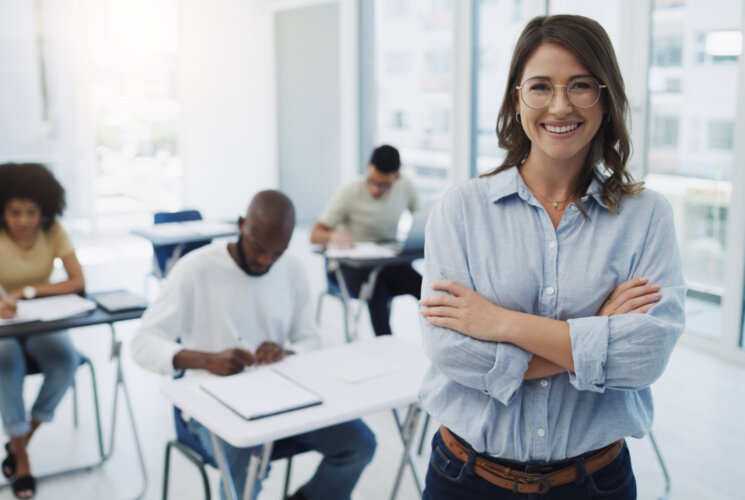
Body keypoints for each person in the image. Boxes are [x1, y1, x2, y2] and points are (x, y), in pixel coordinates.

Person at [418, 15, 686, 499]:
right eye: (541, 86)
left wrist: (498, 322)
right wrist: (595, 332)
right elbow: (452, 353)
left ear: (606, 98)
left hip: (595, 483)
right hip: (466, 480)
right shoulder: (461, 209)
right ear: (516, 98)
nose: (560, 105)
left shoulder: (647, 216)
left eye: (581, 85)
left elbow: (644, 357)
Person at [131, 190, 376, 500]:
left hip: (283, 392)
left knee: (359, 444)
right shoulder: (195, 268)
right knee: (245, 454)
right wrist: (207, 360)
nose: (265, 260)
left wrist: (288, 352)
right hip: (209, 400)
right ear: (241, 225)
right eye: (258, 248)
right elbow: (142, 344)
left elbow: (309, 339)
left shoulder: (292, 269)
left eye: (277, 252)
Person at [0, 163, 85, 499]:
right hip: (4, 326)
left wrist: (27, 292)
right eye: (14, 212)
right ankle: (22, 462)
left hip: (41, 319)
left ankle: (20, 442)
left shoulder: (54, 231)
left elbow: (77, 282)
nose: (23, 221)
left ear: (45, 211)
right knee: (5, 366)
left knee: (66, 361)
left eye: (31, 212)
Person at [311, 144, 421, 336]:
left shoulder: (406, 187)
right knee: (377, 288)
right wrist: (332, 235)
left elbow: (421, 219)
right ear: (366, 167)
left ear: (397, 176)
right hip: (349, 270)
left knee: (424, 286)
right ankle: (386, 344)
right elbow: (315, 235)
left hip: (386, 263)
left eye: (384, 185)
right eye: (372, 181)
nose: (376, 189)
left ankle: (438, 345)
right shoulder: (347, 192)